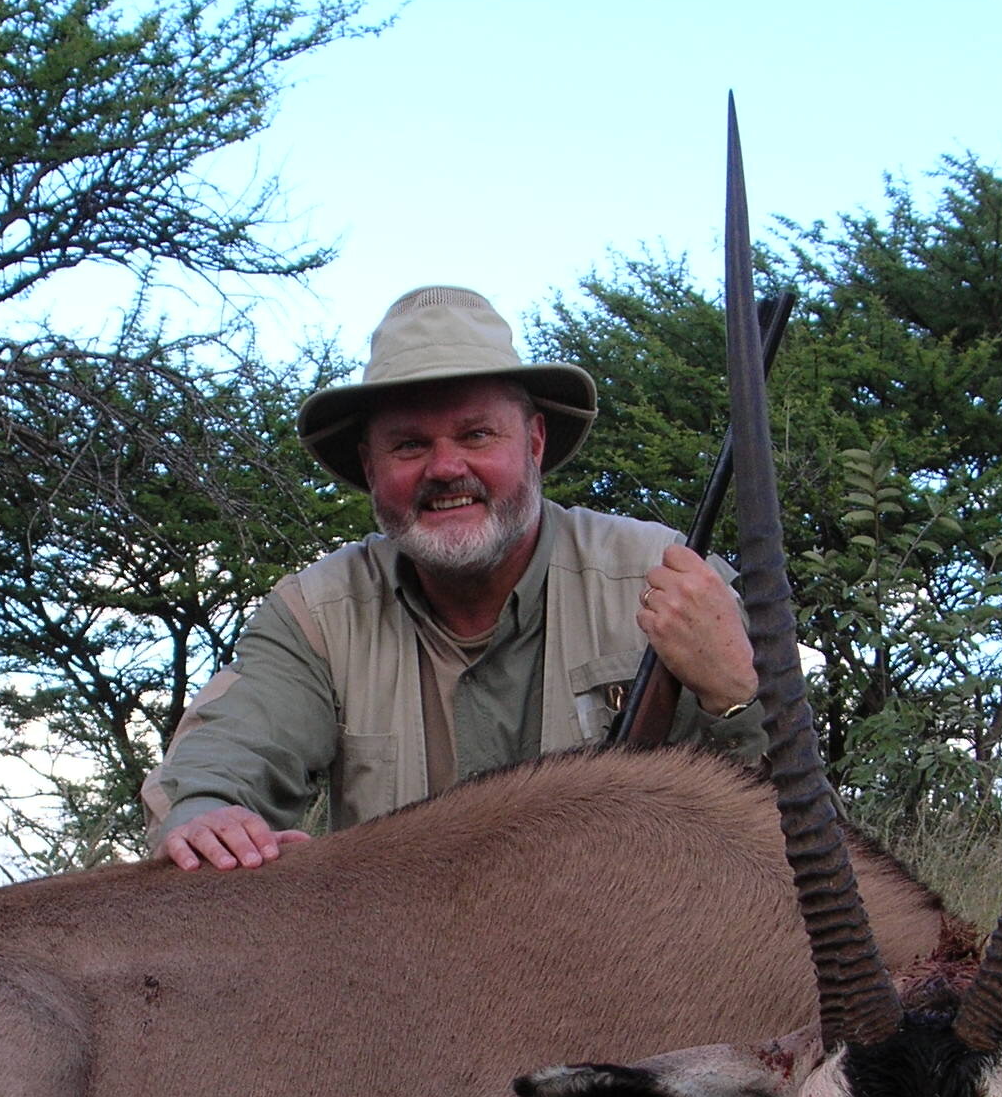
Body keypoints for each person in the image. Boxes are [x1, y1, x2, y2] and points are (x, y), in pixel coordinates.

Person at [142, 286, 768, 871]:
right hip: (406, 970)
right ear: (370, 466)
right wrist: (207, 817)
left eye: (476, 434)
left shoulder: (671, 578)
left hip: (639, 961)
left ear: (535, 441)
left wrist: (736, 695)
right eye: (409, 446)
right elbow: (224, 762)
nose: (445, 468)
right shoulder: (315, 613)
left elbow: (793, 825)